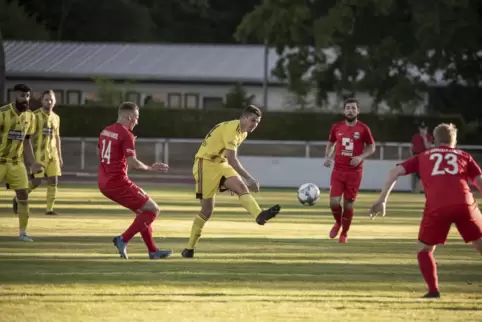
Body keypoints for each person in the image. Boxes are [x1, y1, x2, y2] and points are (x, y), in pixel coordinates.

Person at [369, 123, 482, 298]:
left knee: (424, 249)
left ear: (434, 140)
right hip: (465, 204)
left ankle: (433, 290)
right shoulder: (464, 156)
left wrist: (382, 200)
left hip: (437, 207)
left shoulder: (423, 156)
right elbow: (479, 181)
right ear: (455, 140)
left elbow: (393, 172)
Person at [182, 105, 281, 258]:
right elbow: (232, 159)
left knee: (240, 187)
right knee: (207, 211)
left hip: (220, 163)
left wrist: (229, 181)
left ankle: (259, 215)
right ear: (243, 118)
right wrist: (250, 178)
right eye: (253, 120)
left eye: (258, 122)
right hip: (205, 164)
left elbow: (228, 158)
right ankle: (189, 248)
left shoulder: (243, 132)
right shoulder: (231, 129)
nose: (255, 124)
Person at [97, 102, 172, 260]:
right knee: (153, 209)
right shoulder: (126, 134)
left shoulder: (105, 131)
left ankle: (153, 251)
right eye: (136, 118)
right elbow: (133, 164)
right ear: (129, 117)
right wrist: (151, 168)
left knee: (142, 213)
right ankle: (123, 239)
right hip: (117, 182)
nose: (137, 122)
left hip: (103, 182)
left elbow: (100, 152)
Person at [323, 98, 376, 243]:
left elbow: (372, 147)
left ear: (358, 111)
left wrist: (360, 157)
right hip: (338, 171)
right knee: (334, 202)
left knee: (348, 204)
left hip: (354, 172)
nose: (350, 110)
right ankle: (338, 223)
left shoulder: (364, 129)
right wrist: (327, 157)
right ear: (344, 110)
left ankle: (344, 233)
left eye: (353, 108)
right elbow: (330, 144)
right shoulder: (337, 127)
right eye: (348, 108)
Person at [0, 84, 42, 241]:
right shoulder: (2, 114)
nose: (26, 99)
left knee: (24, 195)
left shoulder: (30, 116)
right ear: (15, 96)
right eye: (22, 96)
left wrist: (33, 163)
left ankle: (23, 233)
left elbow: (26, 141)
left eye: (28, 96)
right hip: (0, 161)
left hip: (17, 163)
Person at [13, 90, 63, 216]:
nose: (49, 102)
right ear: (42, 101)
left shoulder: (56, 118)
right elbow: (28, 136)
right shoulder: (35, 116)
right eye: (46, 99)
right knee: (37, 181)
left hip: (53, 154)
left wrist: (60, 156)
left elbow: (57, 137)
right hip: (38, 154)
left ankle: (49, 209)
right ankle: (18, 197)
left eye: (51, 99)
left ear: (55, 101)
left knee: (53, 180)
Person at [411, 121, 433, 192]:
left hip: (424, 157)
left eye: (424, 128)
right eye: (421, 128)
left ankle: (419, 190)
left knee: (422, 175)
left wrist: (424, 138)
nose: (423, 130)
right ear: (419, 129)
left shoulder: (429, 137)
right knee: (415, 175)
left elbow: (427, 147)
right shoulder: (415, 137)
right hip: (416, 156)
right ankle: (414, 190)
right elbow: (412, 148)